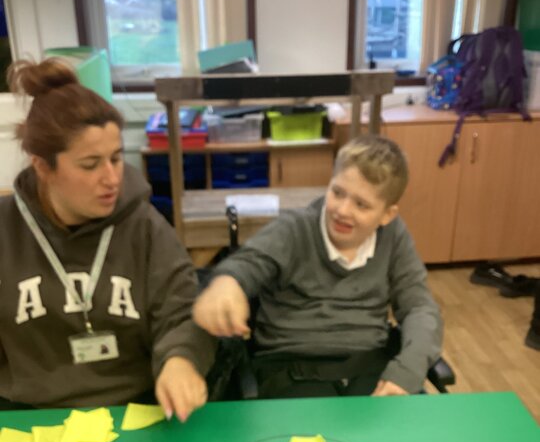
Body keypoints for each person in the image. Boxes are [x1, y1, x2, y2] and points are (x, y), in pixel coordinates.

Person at [0, 58, 214, 420]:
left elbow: (182, 313)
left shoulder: (144, 226)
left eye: (116, 158)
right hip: (28, 415)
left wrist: (180, 358)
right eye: (90, 164)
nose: (112, 178)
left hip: (135, 411)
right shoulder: (7, 230)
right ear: (42, 167)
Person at [193, 135, 443, 399]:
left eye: (361, 204)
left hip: (369, 366)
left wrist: (407, 370)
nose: (342, 210)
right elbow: (248, 263)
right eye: (337, 192)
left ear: (387, 215)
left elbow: (420, 308)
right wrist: (227, 283)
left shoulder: (394, 236)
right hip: (292, 369)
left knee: (406, 423)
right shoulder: (293, 229)